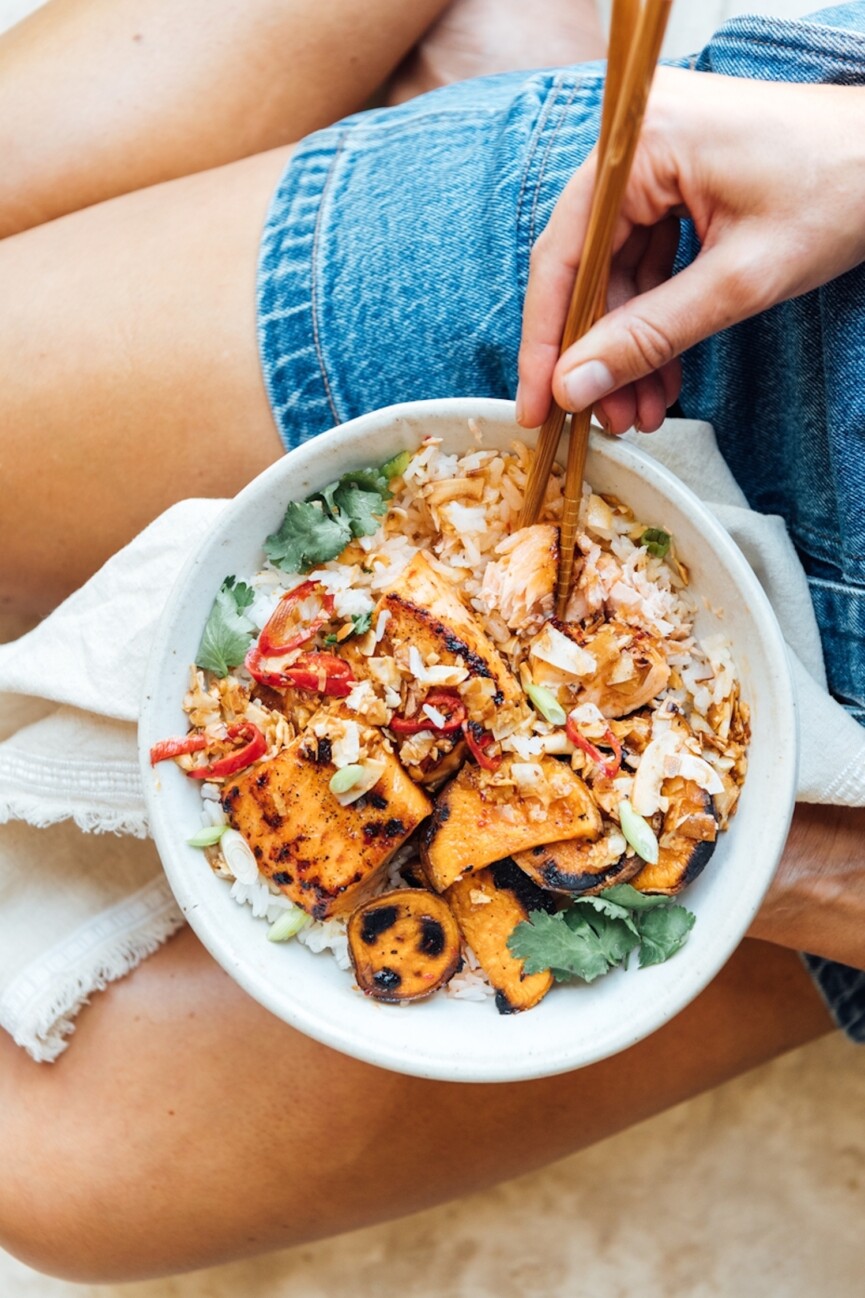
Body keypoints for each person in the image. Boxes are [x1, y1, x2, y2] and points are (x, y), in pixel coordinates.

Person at [0, 0, 862, 1282]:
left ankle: (488, 58)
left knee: (41, 1172)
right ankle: (507, 64)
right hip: (745, 295)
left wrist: (782, 874)